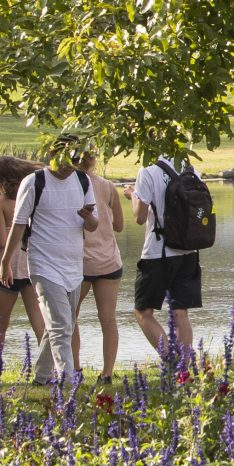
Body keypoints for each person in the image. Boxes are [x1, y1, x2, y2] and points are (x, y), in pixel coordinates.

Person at [0, 134, 97, 383]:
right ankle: (68, 381)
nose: (69, 167)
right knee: (63, 325)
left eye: (74, 160)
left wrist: (89, 218)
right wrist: (5, 262)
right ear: (52, 155)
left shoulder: (83, 180)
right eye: (65, 160)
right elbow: (19, 225)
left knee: (59, 326)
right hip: (44, 265)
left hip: (73, 266)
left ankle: (41, 378)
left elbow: (94, 225)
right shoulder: (34, 182)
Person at [0, 154, 52, 374]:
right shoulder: (32, 195)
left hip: (6, 268)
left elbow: (0, 241)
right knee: (41, 325)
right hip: (32, 265)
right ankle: (49, 372)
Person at [131, 155, 204, 369]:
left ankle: (171, 361)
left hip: (157, 252)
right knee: (180, 312)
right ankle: (186, 368)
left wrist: (133, 197)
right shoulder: (190, 168)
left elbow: (139, 217)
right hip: (189, 250)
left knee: (143, 312)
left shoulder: (148, 171)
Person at [77, 150, 128, 382]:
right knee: (108, 318)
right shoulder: (108, 186)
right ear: (93, 160)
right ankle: (107, 373)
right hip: (109, 260)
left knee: (69, 316)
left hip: (81, 261)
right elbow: (119, 225)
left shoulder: (70, 186)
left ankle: (75, 369)